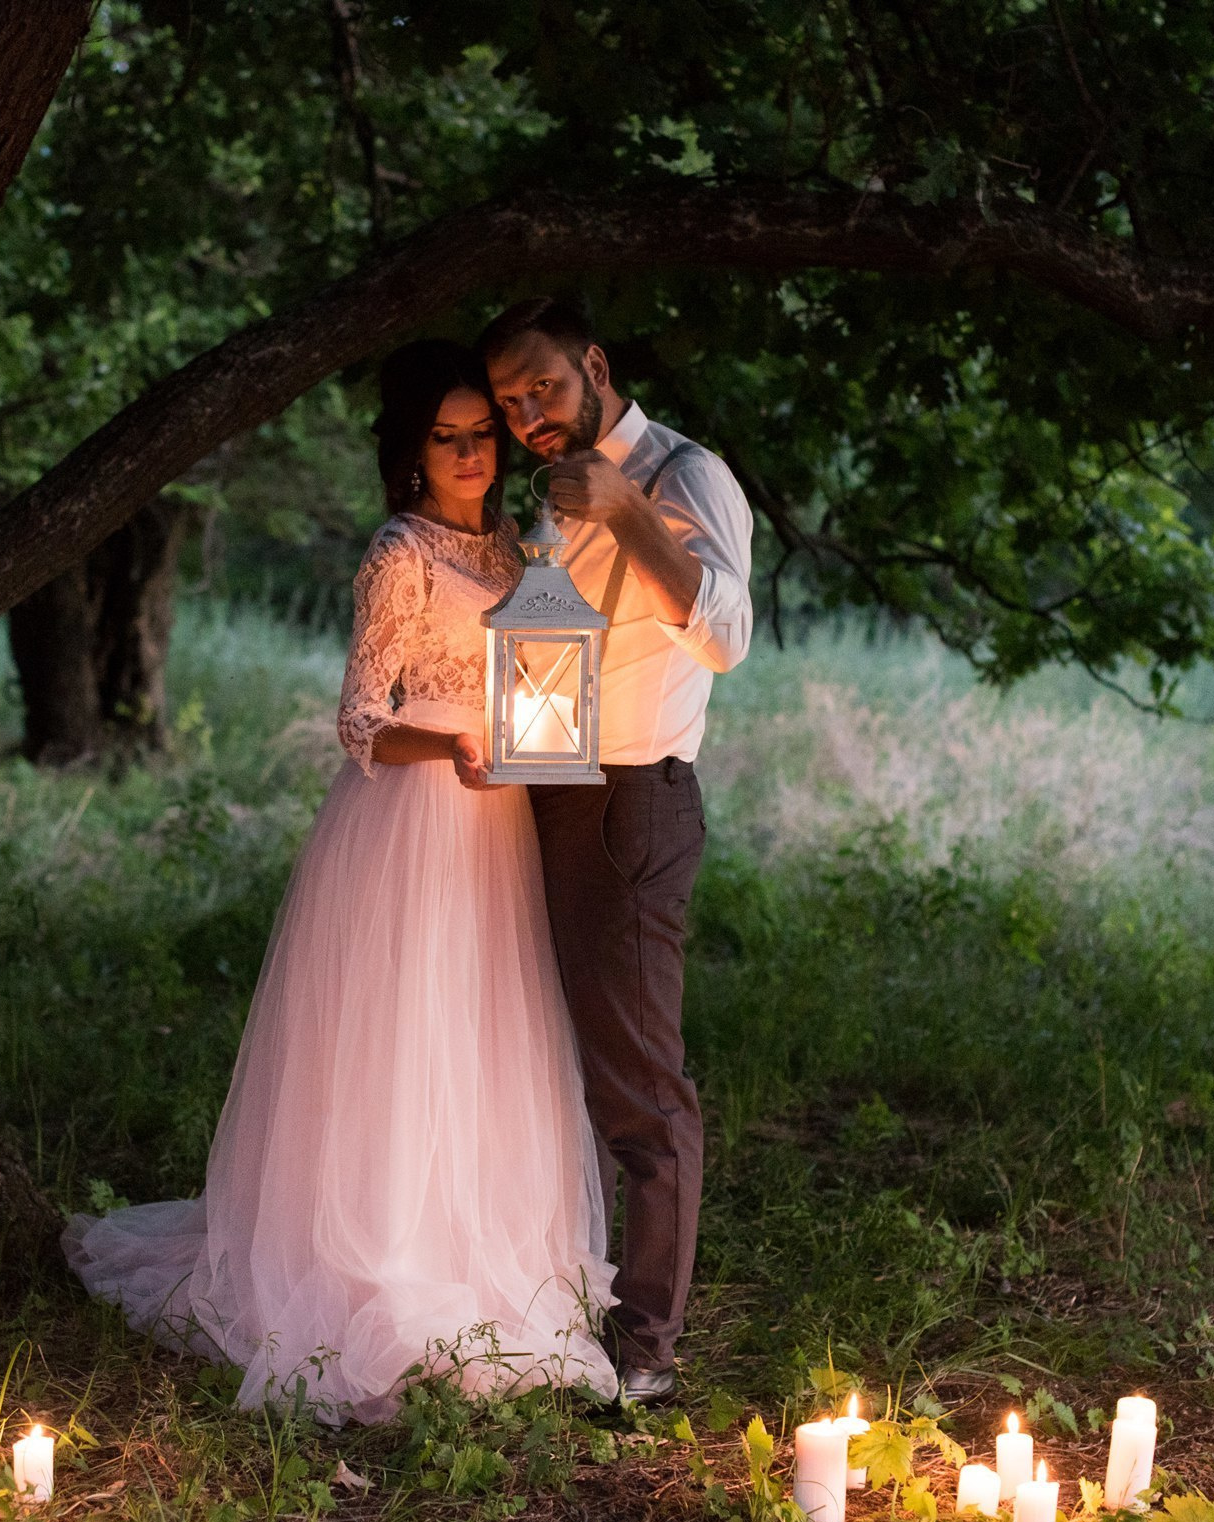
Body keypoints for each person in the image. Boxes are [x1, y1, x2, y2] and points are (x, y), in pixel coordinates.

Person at [65, 340, 617, 1424]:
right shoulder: (398, 554)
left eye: (479, 436)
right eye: (445, 439)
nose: (468, 455)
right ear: (411, 452)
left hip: (498, 826)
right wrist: (452, 750)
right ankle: (382, 1254)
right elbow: (360, 717)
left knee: (487, 1025)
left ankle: (484, 1240)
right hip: (413, 821)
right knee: (404, 1031)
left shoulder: (518, 549)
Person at [479, 298, 753, 1406]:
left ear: (594, 364)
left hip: (633, 802)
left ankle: (645, 1351)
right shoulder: (542, 498)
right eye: (509, 403)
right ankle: (550, 1301)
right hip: (538, 795)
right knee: (543, 1063)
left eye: (543, 386)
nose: (529, 415)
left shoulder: (687, 476)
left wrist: (632, 512)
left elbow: (729, 638)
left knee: (641, 1086)